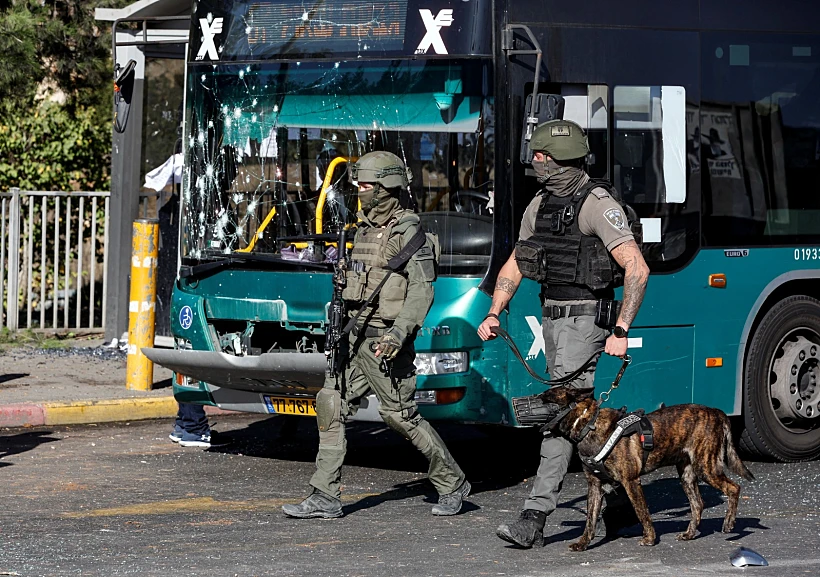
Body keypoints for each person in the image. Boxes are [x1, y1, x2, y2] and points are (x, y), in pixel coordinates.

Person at [477, 119, 650, 548]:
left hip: (585, 320)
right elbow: (517, 262)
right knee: (584, 420)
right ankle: (621, 507)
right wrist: (495, 311)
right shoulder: (541, 204)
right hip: (552, 319)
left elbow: (637, 266)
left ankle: (534, 516)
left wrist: (622, 328)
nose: (534, 162)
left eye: (540, 156)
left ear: (559, 159)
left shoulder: (596, 204)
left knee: (560, 417)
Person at [283, 151, 471, 519]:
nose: (360, 191)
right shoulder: (364, 228)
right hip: (353, 336)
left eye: (366, 185)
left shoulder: (407, 231)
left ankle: (452, 482)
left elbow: (421, 291)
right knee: (330, 404)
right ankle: (325, 494)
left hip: (386, 341)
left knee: (401, 416)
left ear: (387, 187)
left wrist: (399, 333)